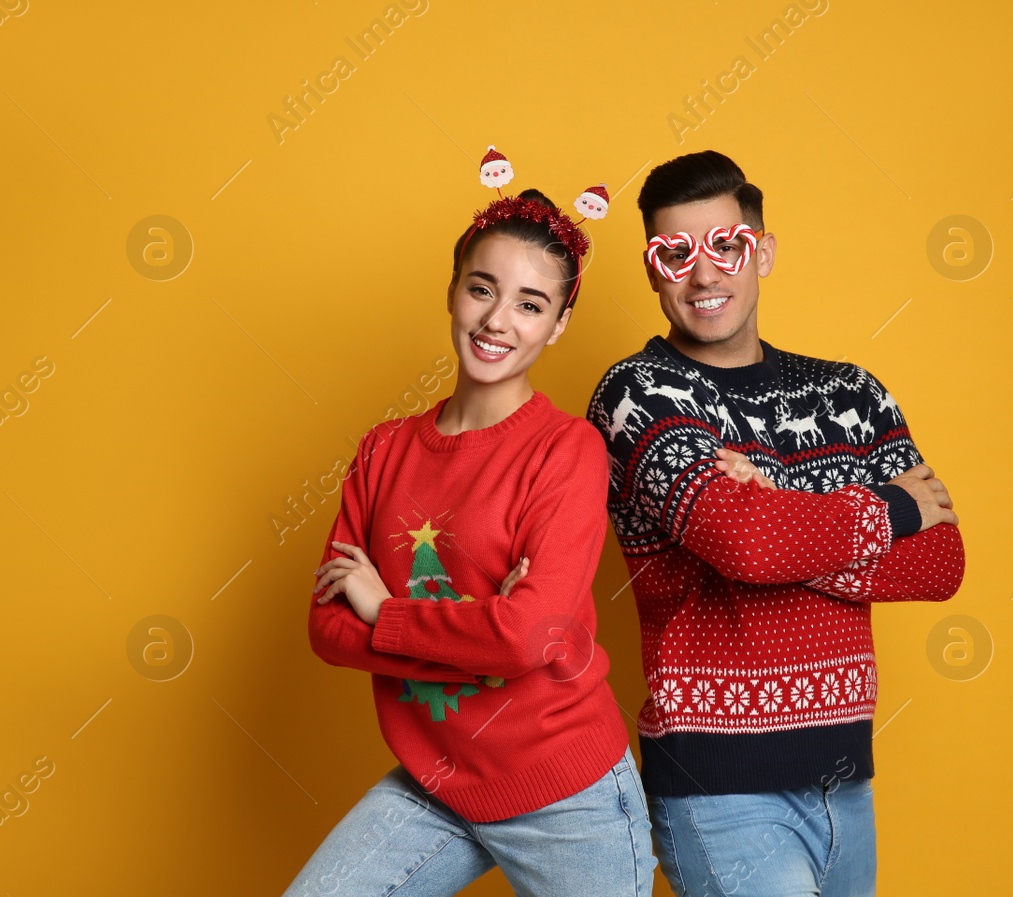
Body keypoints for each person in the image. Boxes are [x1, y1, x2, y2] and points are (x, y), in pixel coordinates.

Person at [586, 150, 966, 897]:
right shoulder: (637, 394)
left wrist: (777, 501)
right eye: (676, 253)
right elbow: (746, 543)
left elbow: (940, 560)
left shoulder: (850, 392)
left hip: (847, 783)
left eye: (726, 245)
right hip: (717, 791)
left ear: (761, 249)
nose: (704, 275)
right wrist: (891, 507)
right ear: (652, 270)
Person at [282, 185, 657, 897]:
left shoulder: (566, 451)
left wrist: (385, 609)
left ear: (558, 325)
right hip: (436, 779)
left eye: (530, 303)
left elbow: (527, 636)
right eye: (481, 288)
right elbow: (325, 627)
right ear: (452, 290)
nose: (496, 320)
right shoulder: (384, 449)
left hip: (565, 790)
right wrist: (482, 629)